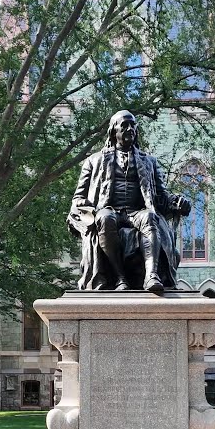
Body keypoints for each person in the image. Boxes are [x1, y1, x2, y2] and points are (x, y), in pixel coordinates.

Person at [68, 110, 191, 294]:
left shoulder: (149, 161)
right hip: (109, 210)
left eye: (133, 125)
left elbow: (162, 197)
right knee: (104, 218)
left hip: (137, 211)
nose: (129, 129)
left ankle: (152, 276)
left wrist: (178, 202)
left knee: (151, 216)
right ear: (113, 131)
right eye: (124, 125)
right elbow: (78, 197)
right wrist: (82, 208)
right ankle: (120, 278)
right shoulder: (94, 161)